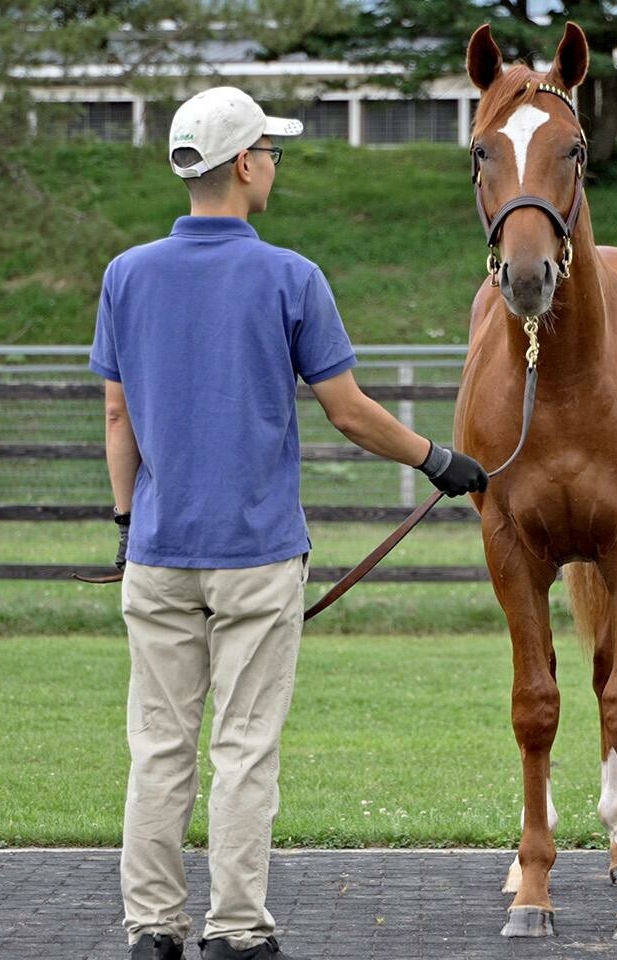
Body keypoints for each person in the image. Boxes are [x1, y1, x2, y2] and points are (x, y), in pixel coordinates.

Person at [88, 86, 487, 960]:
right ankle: (236, 929)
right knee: (244, 747)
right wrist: (436, 459)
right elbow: (345, 410)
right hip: (258, 554)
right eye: (271, 151)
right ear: (243, 164)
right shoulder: (290, 277)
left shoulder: (127, 275)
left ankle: (152, 929)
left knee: (159, 749)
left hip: (157, 552)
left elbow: (120, 419)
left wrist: (127, 527)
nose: (274, 164)